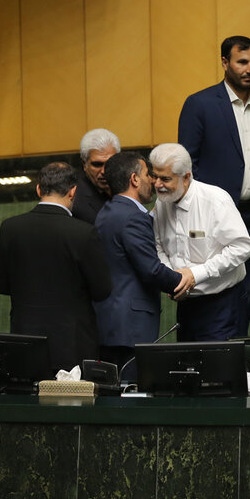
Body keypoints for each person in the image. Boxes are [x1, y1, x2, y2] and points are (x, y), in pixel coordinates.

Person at [178, 35, 250, 336]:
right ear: (225, 62)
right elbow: (187, 165)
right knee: (212, 288)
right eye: (242, 62)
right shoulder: (200, 105)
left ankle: (237, 348)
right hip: (215, 218)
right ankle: (204, 351)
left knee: (246, 290)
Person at [0, 162, 112, 371]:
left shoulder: (10, 228)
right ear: (73, 191)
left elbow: (0, 285)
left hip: (25, 339)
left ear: (38, 189)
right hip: (73, 344)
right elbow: (102, 290)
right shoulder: (83, 233)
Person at [93, 151, 190, 375]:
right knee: (131, 389)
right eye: (148, 175)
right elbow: (151, 270)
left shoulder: (106, 212)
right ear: (135, 179)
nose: (153, 181)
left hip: (110, 324)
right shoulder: (132, 217)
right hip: (130, 327)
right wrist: (183, 279)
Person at [150, 143, 250, 342]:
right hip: (185, 305)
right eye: (155, 176)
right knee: (188, 359)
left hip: (221, 304)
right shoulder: (161, 202)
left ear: (186, 177)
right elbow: (158, 245)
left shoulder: (216, 201)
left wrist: (195, 275)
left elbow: (242, 247)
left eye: (165, 179)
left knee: (217, 361)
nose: (157, 184)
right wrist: (173, 279)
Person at [72, 128, 121, 224]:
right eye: (97, 164)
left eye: (110, 163)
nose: (104, 171)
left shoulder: (127, 186)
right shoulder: (74, 200)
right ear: (84, 165)